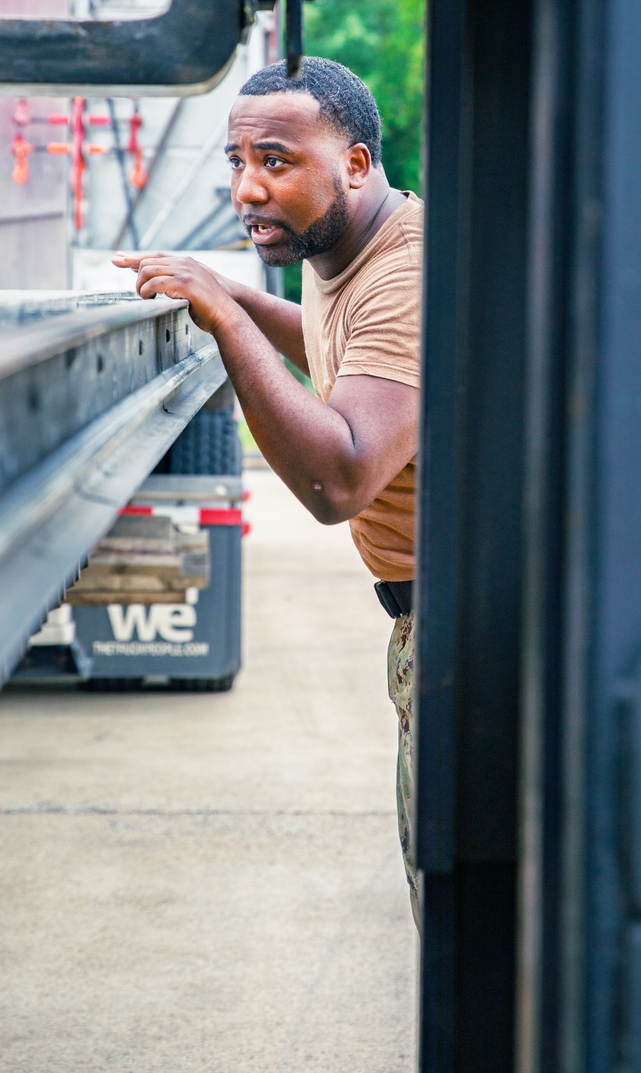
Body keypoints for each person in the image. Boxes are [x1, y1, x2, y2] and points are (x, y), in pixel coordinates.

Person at [113, 56, 423, 921]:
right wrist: (241, 302)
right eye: (237, 163)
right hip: (431, 612)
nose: (248, 189)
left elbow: (340, 476)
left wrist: (222, 315)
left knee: (460, 922)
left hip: (471, 627)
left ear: (355, 164)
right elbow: (336, 348)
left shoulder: (406, 271)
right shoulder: (353, 255)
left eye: (277, 161)